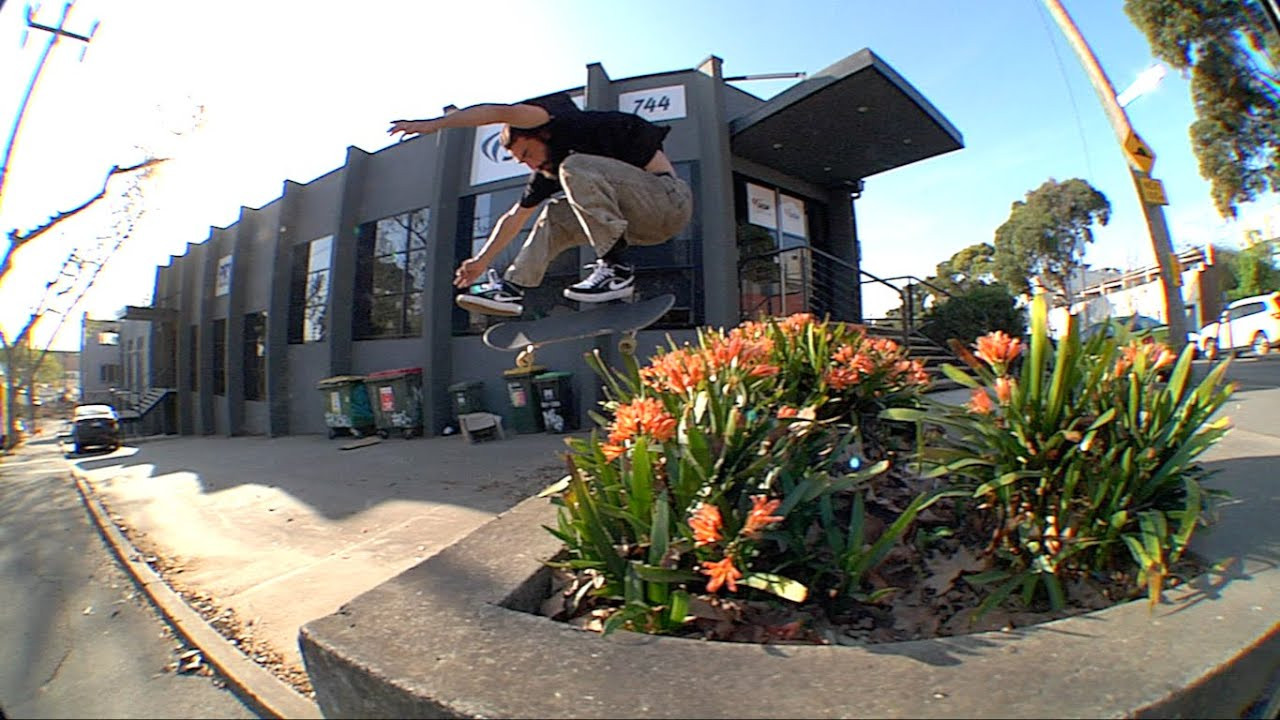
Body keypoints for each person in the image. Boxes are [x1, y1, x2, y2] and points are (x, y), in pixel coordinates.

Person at [388, 93, 693, 317]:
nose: (528, 163)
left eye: (526, 151)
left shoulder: (562, 124)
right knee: (554, 214)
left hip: (667, 201)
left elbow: (497, 111)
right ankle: (512, 289)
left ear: (540, 133)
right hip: (640, 225)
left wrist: (436, 124)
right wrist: (481, 261)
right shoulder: (550, 171)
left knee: (574, 167)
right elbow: (513, 218)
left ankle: (615, 269)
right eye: (521, 161)